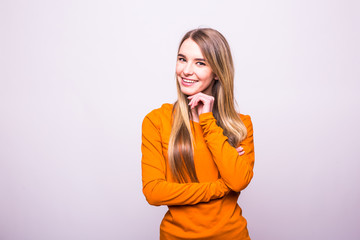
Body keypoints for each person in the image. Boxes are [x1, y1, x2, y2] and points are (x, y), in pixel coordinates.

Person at [141, 28, 255, 240]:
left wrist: (207, 120)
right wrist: (220, 186)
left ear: (218, 72)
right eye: (182, 59)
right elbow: (153, 192)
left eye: (200, 63)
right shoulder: (157, 121)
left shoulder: (240, 125)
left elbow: (238, 182)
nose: (186, 70)